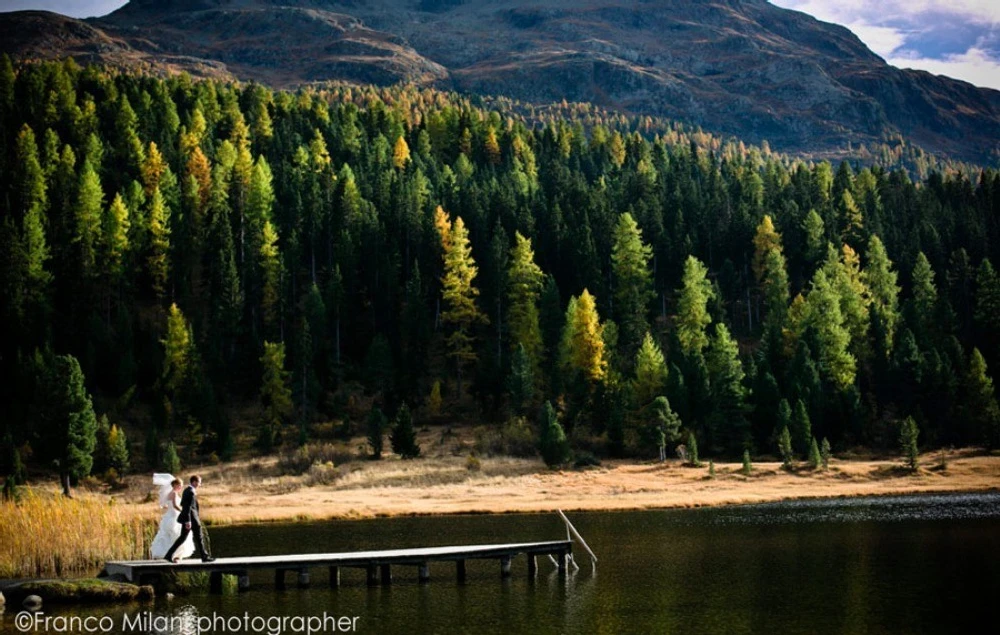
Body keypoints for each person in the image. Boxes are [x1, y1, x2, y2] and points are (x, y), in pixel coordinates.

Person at [164, 475, 215, 563]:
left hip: (190, 519)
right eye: (199, 482)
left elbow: (184, 505)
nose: (200, 484)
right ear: (194, 482)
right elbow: (187, 507)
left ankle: (169, 555)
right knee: (198, 537)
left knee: (183, 538)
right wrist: (188, 521)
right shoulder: (190, 491)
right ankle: (204, 557)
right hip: (192, 519)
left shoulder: (187, 490)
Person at [150, 474, 195, 560]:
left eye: (181, 486)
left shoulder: (169, 493)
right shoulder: (174, 493)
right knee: (176, 535)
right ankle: (174, 555)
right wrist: (183, 511)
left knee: (169, 536)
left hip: (169, 515)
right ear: (174, 485)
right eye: (179, 485)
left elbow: (166, 505)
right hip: (174, 516)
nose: (180, 487)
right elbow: (174, 505)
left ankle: (171, 554)